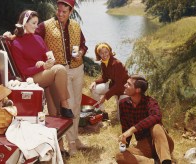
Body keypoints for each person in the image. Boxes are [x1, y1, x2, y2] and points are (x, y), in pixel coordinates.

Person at [35, 0, 88, 156]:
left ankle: (76, 138)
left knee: (77, 105)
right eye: (59, 11)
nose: (60, 14)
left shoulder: (76, 26)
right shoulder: (45, 26)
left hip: (78, 69)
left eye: (64, 12)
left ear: (70, 12)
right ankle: (71, 145)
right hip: (60, 71)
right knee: (69, 106)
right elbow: (32, 39)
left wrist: (81, 53)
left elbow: (84, 44)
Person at [9, 10, 73, 118]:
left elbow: (48, 56)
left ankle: (58, 117)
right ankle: (65, 104)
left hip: (45, 74)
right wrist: (42, 66)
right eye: (33, 23)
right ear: (24, 23)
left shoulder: (38, 38)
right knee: (60, 69)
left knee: (55, 114)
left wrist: (48, 62)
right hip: (31, 78)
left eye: (37, 23)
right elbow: (24, 71)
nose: (36, 26)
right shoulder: (16, 43)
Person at [115, 75, 174, 164]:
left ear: (138, 90)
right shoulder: (123, 104)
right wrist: (124, 142)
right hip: (143, 147)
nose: (125, 85)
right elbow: (125, 126)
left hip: (162, 142)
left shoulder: (150, 102)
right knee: (120, 156)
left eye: (129, 84)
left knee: (156, 126)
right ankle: (155, 162)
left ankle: (166, 161)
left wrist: (133, 129)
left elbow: (156, 116)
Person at [89, 42, 129, 112]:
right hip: (113, 86)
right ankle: (102, 112)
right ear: (98, 54)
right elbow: (105, 78)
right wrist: (94, 82)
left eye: (106, 52)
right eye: (101, 53)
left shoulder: (117, 64)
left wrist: (105, 96)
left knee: (121, 118)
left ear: (109, 51)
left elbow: (119, 84)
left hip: (123, 89)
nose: (104, 55)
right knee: (94, 89)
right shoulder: (103, 63)